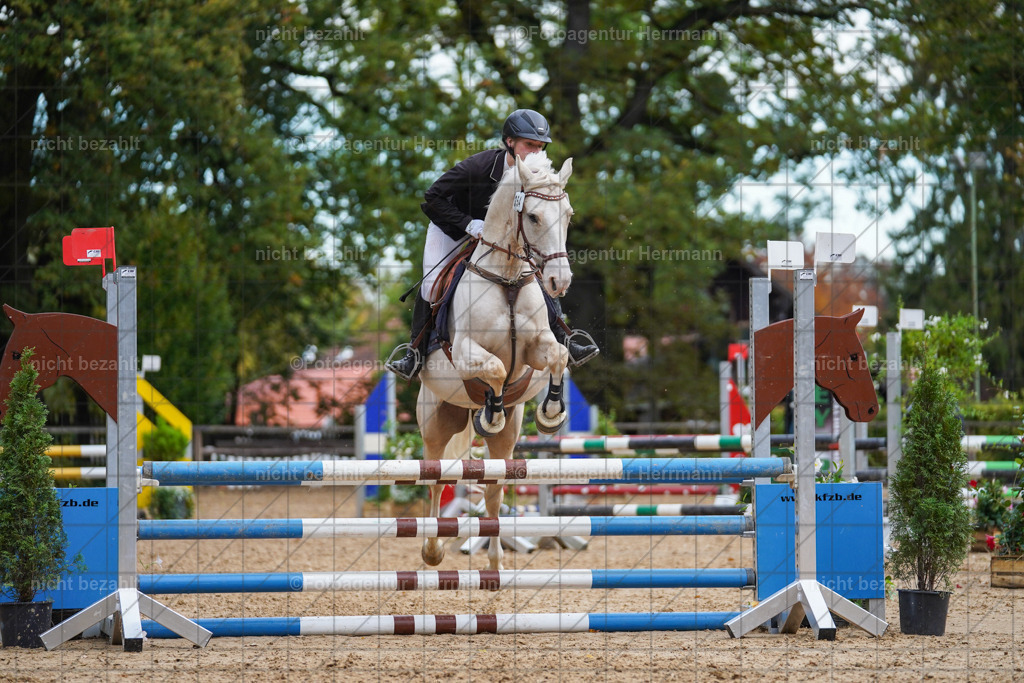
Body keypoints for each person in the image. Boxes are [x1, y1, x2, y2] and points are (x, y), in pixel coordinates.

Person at [385, 108, 599, 380]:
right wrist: (467, 224)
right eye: (529, 145)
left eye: (540, 146)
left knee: (534, 274)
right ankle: (415, 351)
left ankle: (565, 338)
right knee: (432, 284)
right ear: (510, 142)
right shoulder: (479, 166)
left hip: (503, 237)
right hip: (454, 228)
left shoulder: (538, 176)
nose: (535, 152)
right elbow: (432, 198)